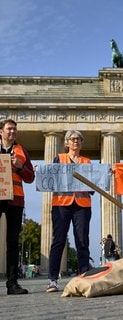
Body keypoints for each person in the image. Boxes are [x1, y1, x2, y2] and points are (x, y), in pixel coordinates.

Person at [47, 130, 92, 292]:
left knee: (82, 241)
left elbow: (93, 187)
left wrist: (103, 177)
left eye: (79, 139)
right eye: (73, 139)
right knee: (58, 241)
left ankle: (84, 276)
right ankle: (53, 279)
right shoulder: (59, 159)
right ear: (66, 143)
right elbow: (50, 179)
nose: (76, 141)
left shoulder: (87, 162)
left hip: (82, 205)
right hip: (61, 204)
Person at [0, 119, 35, 295]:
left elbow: (30, 178)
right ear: (1, 131)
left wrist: (20, 167)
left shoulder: (22, 152)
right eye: (9, 129)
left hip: (15, 199)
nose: (12, 132)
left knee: (13, 243)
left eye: (15, 129)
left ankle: (12, 283)